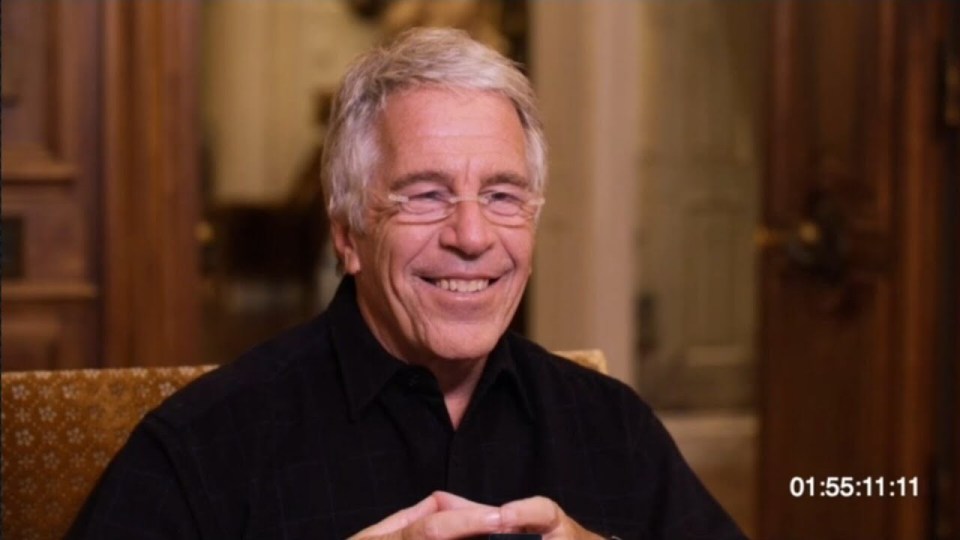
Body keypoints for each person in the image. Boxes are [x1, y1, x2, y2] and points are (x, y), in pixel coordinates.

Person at [68, 28, 747, 540]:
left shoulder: (610, 424)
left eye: (503, 196)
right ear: (348, 234)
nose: (472, 236)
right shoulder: (204, 446)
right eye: (425, 195)